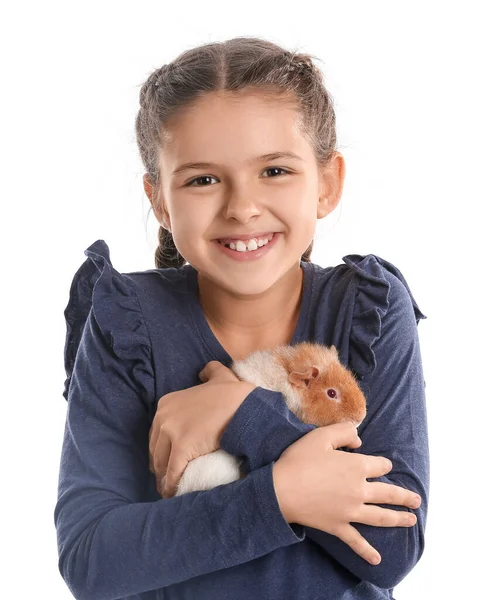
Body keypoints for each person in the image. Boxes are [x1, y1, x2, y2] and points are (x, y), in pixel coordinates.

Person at [54, 36, 429, 600]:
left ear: (326, 183)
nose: (241, 207)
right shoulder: (127, 323)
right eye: (203, 179)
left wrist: (245, 414)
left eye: (275, 170)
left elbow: (392, 548)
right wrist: (283, 495)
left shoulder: (367, 311)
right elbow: (92, 559)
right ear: (159, 200)